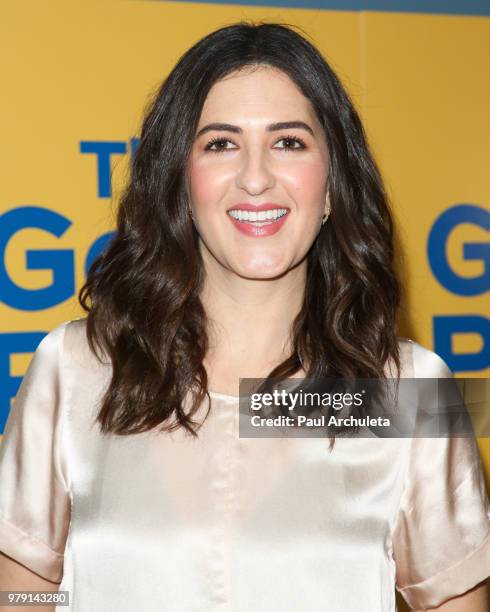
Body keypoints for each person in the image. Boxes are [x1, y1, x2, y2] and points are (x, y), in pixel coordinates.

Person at [0, 21, 489, 612]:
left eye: (289, 142)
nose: (256, 178)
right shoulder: (73, 371)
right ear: (180, 183)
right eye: (221, 143)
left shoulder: (408, 392)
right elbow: (23, 593)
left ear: (333, 185)